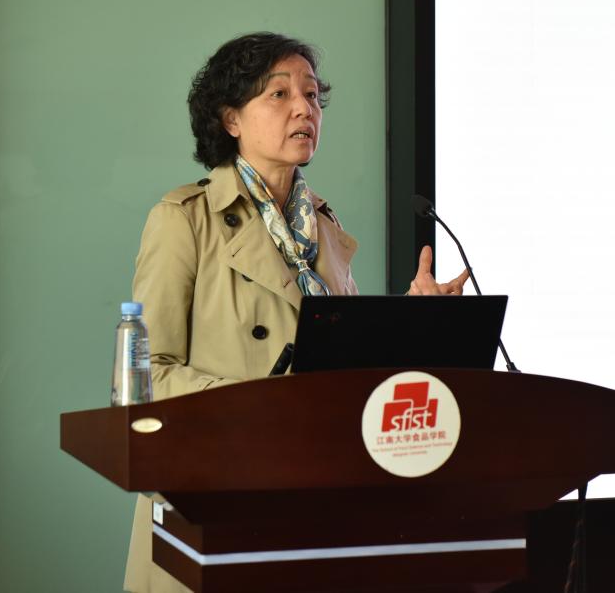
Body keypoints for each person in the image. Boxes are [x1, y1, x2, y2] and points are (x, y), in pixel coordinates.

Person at [123, 32, 468, 593]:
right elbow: (147, 375)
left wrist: (415, 320)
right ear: (231, 119)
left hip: (310, 497)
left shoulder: (324, 227)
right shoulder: (184, 219)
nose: (304, 108)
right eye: (279, 94)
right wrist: (261, 405)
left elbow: (341, 361)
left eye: (311, 94)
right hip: (217, 495)